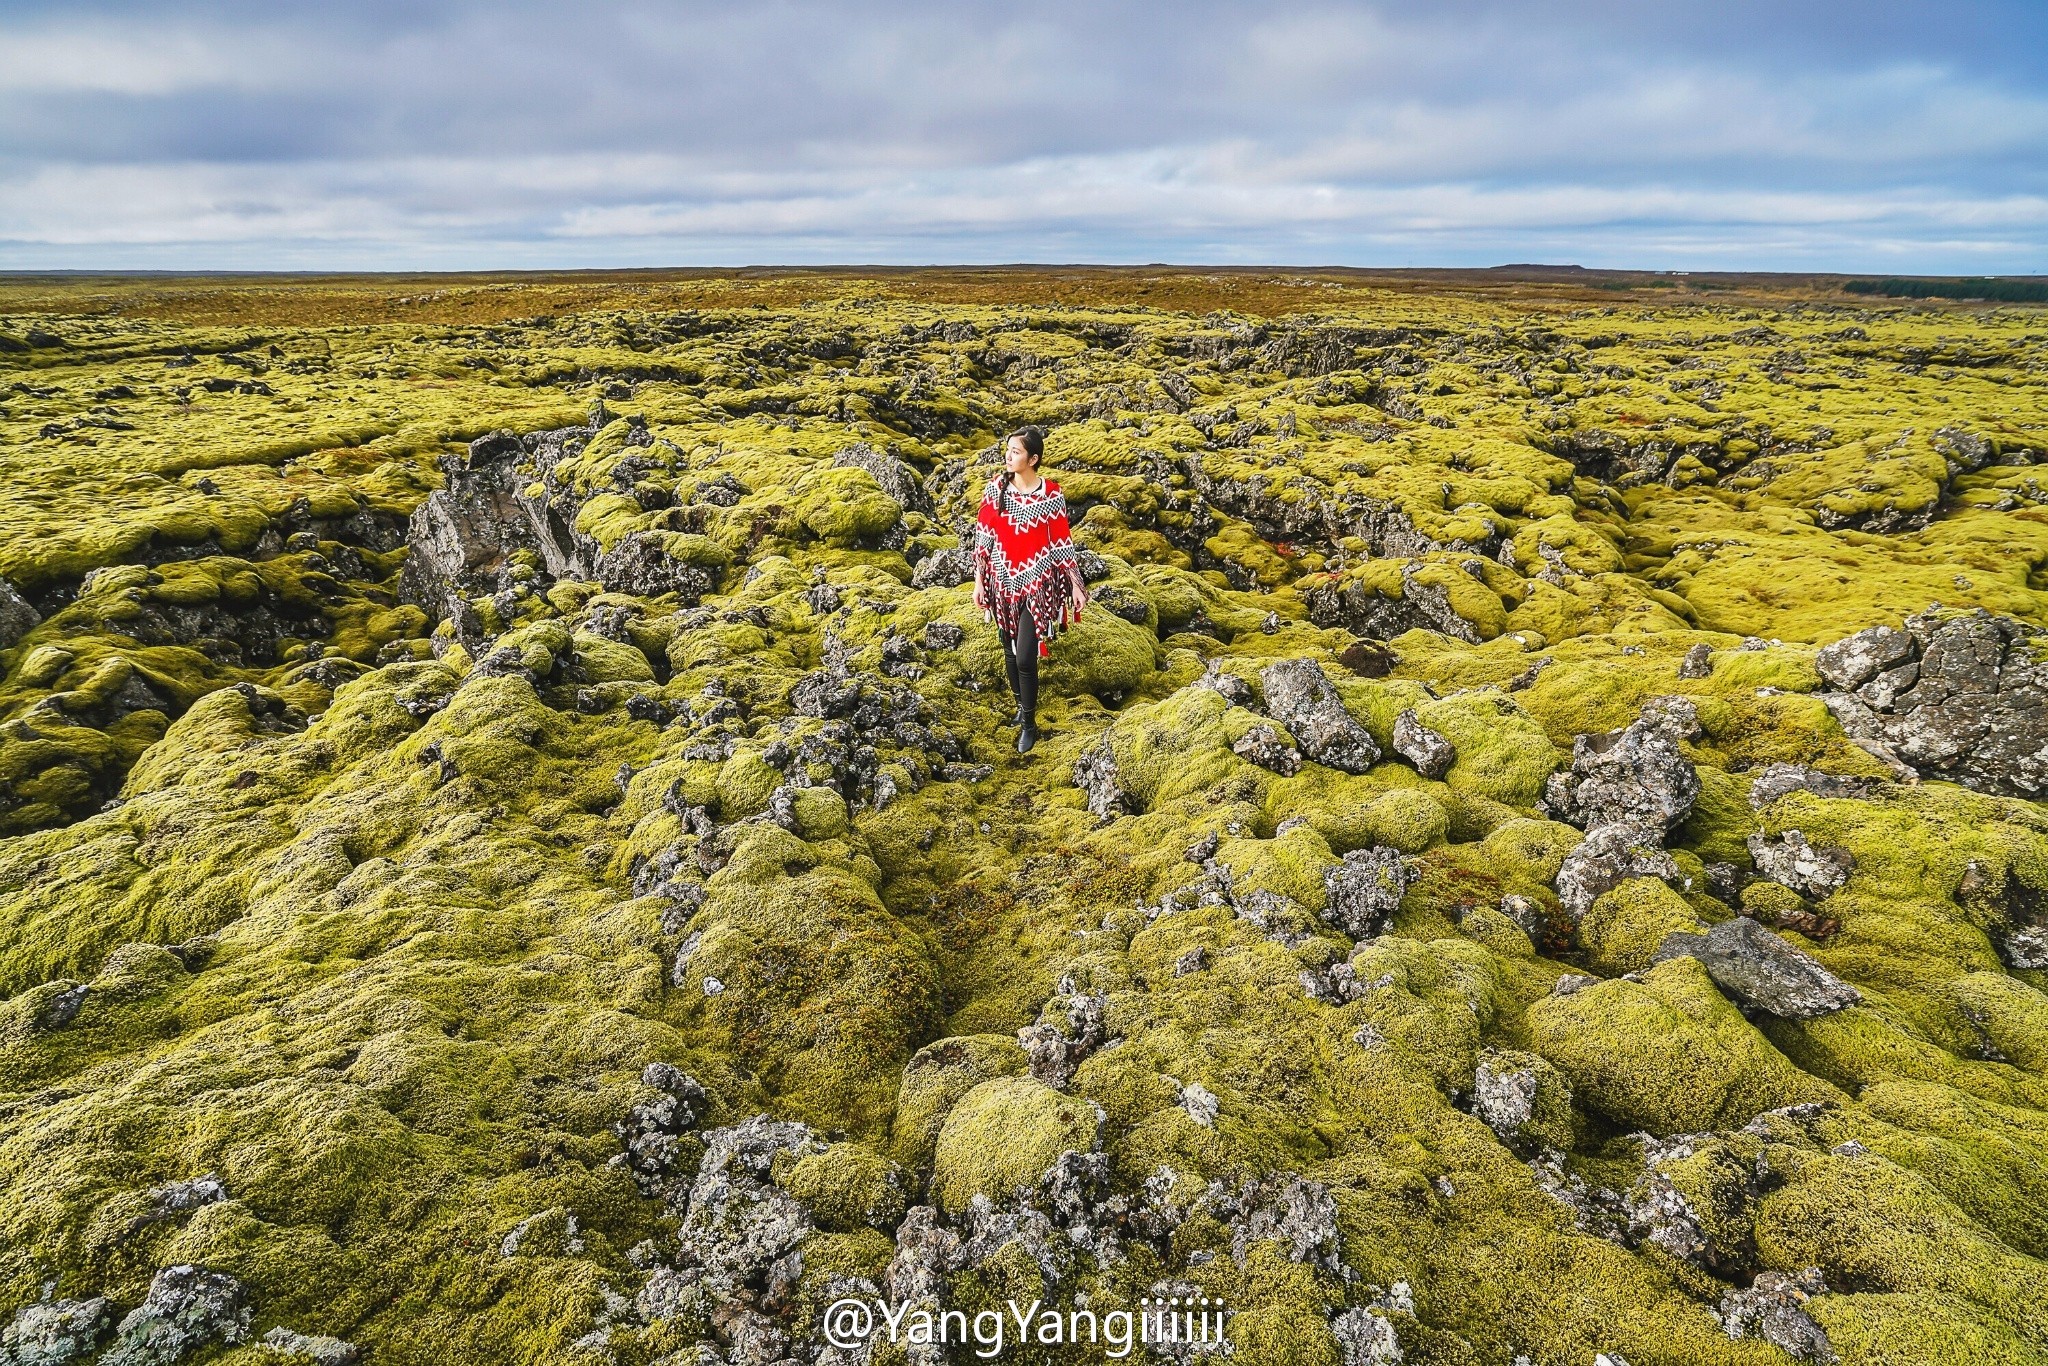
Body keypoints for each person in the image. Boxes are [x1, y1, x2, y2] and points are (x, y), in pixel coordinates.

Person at [971, 426, 1089, 753]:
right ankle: (1020, 706)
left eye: (1016, 452)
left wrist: (1075, 584)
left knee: (1025, 656)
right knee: (1008, 650)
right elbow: (983, 540)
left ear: (1033, 458)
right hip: (1000, 582)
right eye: (1007, 450)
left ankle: (1029, 724)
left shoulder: (1051, 494)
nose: (1009, 456)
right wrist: (979, 582)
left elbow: (1061, 541)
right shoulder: (996, 490)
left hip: (1037, 584)